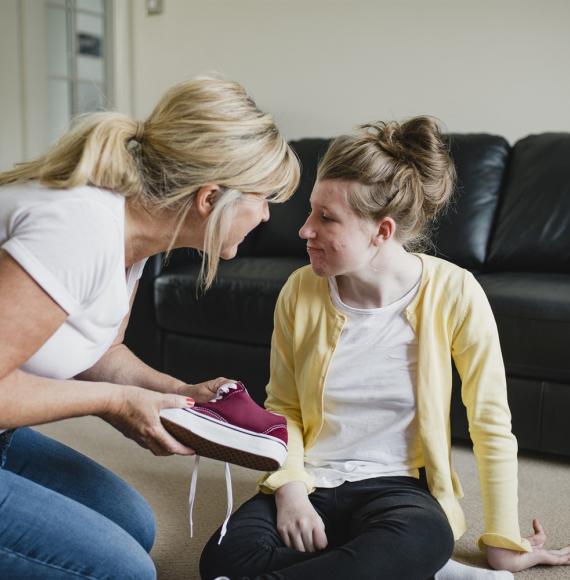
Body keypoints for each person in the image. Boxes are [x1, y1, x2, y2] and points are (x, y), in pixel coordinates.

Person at [199, 117, 570, 579]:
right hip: (313, 477)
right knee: (224, 556)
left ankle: (404, 561)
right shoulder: (299, 291)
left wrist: (502, 539)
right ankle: (417, 570)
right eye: (311, 211)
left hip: (398, 490)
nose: (304, 230)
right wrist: (291, 490)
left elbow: (490, 420)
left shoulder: (455, 292)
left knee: (422, 536)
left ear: (383, 230)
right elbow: (285, 407)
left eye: (326, 218)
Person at [0, 77, 300, 579]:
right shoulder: (81, 229)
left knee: (133, 524)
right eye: (264, 197)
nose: (268, 216)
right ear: (210, 198)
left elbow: (98, 350)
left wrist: (176, 393)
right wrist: (116, 404)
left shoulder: (133, 236)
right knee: (123, 571)